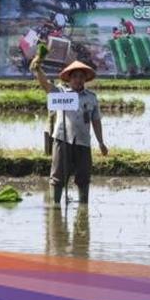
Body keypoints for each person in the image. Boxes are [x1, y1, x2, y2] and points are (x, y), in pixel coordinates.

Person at [32, 58, 108, 204]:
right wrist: (38, 70)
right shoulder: (61, 93)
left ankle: (83, 207)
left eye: (81, 77)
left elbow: (96, 121)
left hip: (83, 141)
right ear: (70, 79)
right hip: (63, 140)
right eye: (75, 77)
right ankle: (55, 208)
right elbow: (45, 85)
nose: (78, 80)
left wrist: (101, 142)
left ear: (85, 79)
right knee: (58, 176)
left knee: (84, 177)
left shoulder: (91, 98)